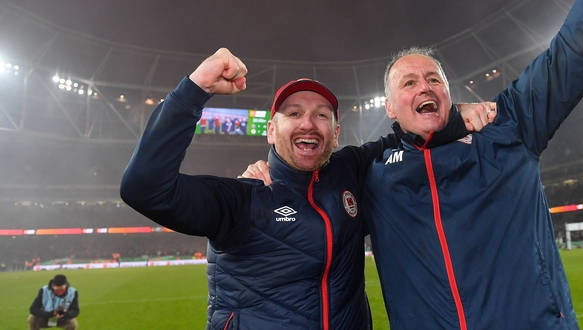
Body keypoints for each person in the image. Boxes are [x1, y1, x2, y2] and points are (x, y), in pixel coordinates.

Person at [243, 0, 583, 327]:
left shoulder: (510, 127)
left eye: (434, 79)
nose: (423, 87)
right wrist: (267, 171)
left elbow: (574, 52)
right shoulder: (371, 168)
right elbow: (309, 178)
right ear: (391, 107)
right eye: (408, 83)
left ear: (450, 92)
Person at [120, 50, 493, 329]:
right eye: (294, 113)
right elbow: (144, 187)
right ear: (270, 130)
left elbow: (411, 132)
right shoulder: (244, 197)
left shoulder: (352, 170)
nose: (309, 124)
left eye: (321, 115)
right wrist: (194, 89)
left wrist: (452, 110)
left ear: (336, 132)